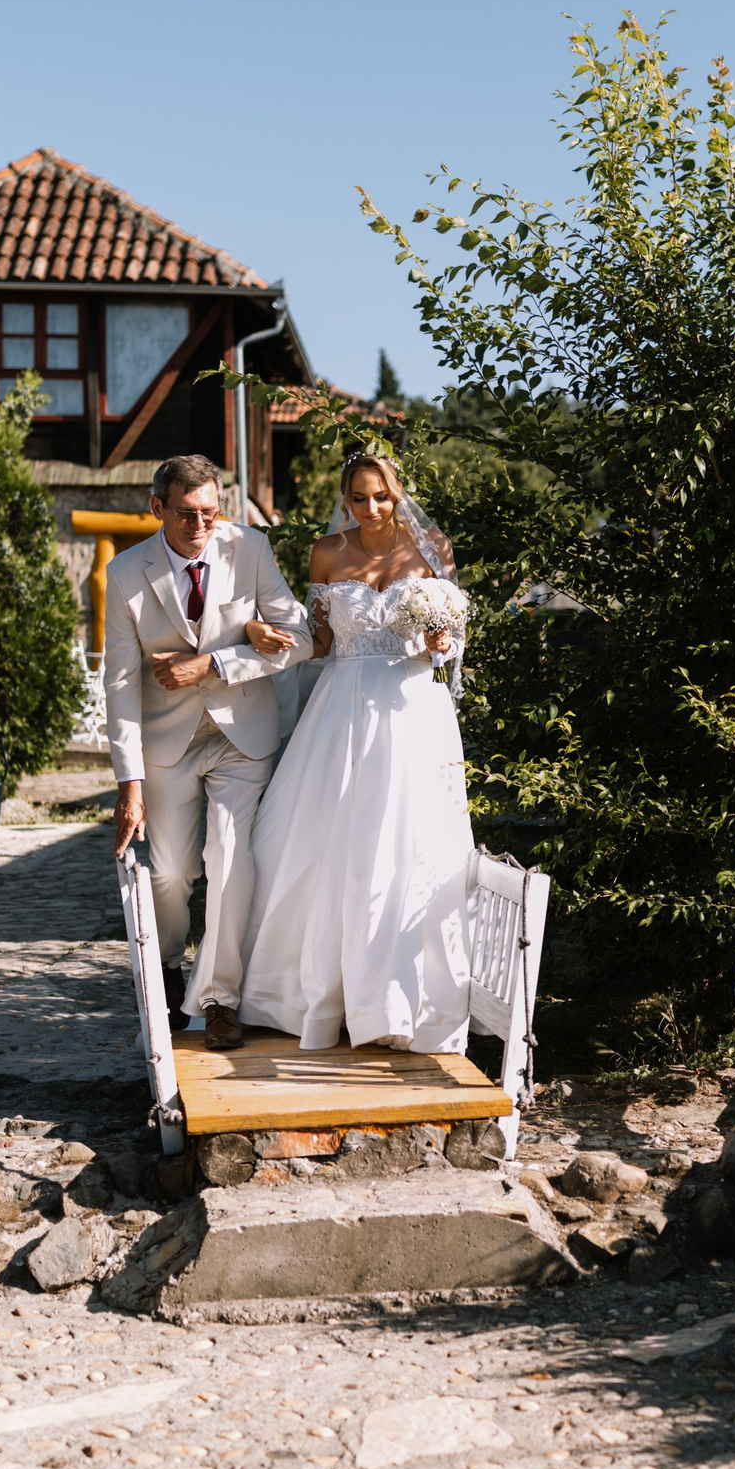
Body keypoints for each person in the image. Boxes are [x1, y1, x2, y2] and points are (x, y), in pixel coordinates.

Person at [235, 451, 474, 1053]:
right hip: (341, 708)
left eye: (382, 496)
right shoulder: (326, 552)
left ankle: (395, 1002)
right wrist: (258, 633)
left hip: (412, 708)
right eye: (359, 497)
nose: (370, 508)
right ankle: (304, 996)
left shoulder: (433, 548)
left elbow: (449, 648)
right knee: (322, 840)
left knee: (403, 846)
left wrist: (441, 642)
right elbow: (318, 642)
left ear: (398, 494)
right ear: (345, 498)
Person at [104, 453, 313, 1050]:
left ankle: (220, 999)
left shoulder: (249, 548)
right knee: (171, 873)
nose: (202, 526)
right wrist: (129, 782)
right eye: (187, 514)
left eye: (211, 513)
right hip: (167, 743)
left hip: (242, 737)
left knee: (229, 857)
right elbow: (119, 684)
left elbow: (299, 638)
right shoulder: (125, 574)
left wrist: (215, 662)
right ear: (157, 509)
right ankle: (167, 974)